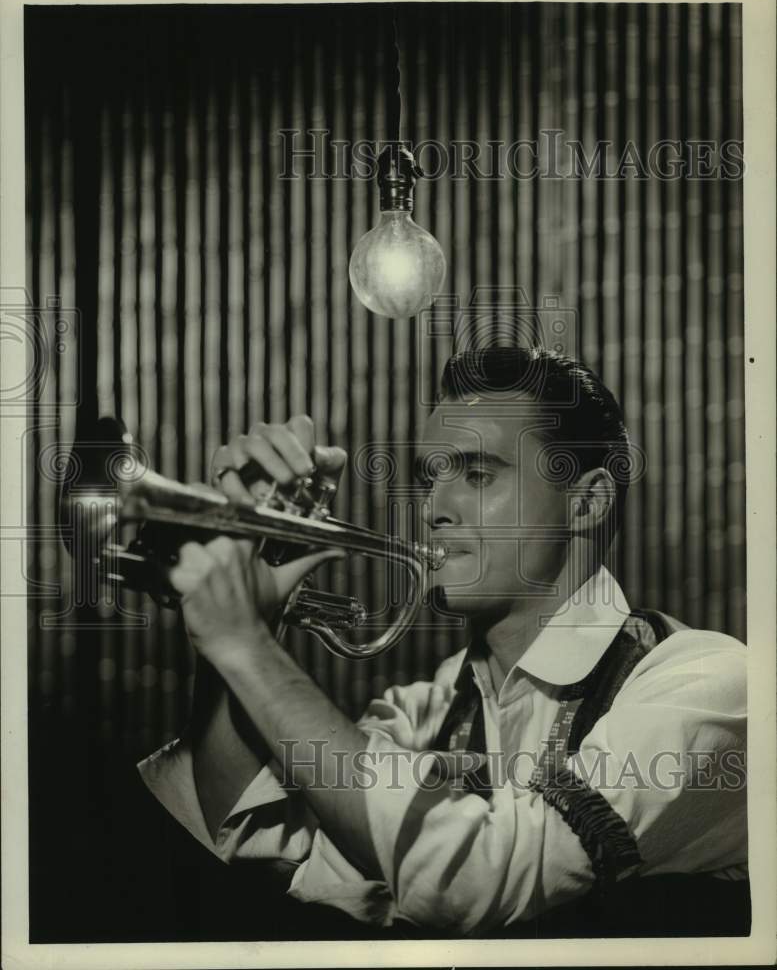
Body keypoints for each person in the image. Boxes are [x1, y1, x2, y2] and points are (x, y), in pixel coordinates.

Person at [138, 346, 748, 937]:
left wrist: (248, 647)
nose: (434, 506)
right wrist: (229, 631)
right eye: (434, 475)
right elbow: (257, 838)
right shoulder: (424, 710)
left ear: (586, 501)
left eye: (478, 473)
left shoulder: (704, 684)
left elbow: (477, 879)